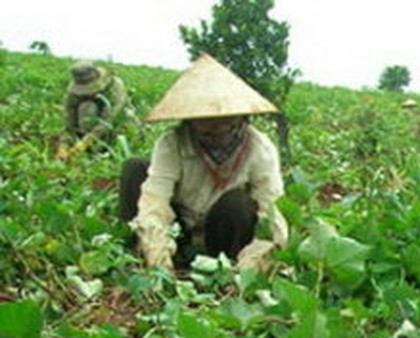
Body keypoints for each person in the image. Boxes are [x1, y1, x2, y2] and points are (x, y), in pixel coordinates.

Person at [119, 53, 288, 273]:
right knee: (135, 169)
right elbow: (155, 202)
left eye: (226, 124)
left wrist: (254, 264)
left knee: (239, 204)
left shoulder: (259, 149)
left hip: (221, 234)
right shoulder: (172, 144)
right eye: (207, 128)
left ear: (241, 118)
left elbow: (271, 213)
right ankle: (139, 258)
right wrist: (158, 254)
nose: (218, 132)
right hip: (180, 228)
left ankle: (228, 271)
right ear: (190, 122)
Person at [61, 60, 129, 152]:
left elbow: (109, 119)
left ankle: (104, 147)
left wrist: (86, 142)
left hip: (114, 125)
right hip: (85, 127)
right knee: (87, 107)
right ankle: (87, 147)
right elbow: (68, 122)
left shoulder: (115, 86)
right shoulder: (73, 94)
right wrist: (63, 146)